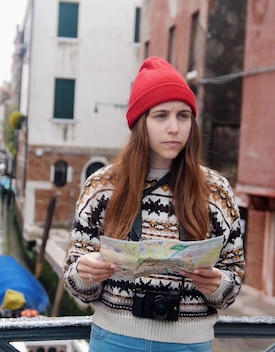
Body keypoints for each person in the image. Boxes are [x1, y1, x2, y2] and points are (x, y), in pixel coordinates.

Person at [62, 56, 245, 352]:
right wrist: (85, 273)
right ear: (140, 122)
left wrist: (218, 284)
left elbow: (233, 279)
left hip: (189, 343)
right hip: (115, 341)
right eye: (161, 116)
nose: (174, 128)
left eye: (183, 116)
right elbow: (74, 281)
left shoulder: (217, 191)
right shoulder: (101, 186)